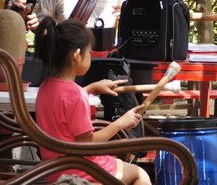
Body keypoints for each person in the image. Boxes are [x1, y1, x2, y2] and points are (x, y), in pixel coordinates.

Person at [34, 16, 151, 185]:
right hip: (81, 169)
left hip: (55, 168)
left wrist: (91, 87)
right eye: (88, 51)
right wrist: (121, 123)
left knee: (122, 166)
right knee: (140, 174)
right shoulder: (75, 95)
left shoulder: (45, 88)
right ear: (76, 55)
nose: (90, 55)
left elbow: (63, 104)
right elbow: (87, 143)